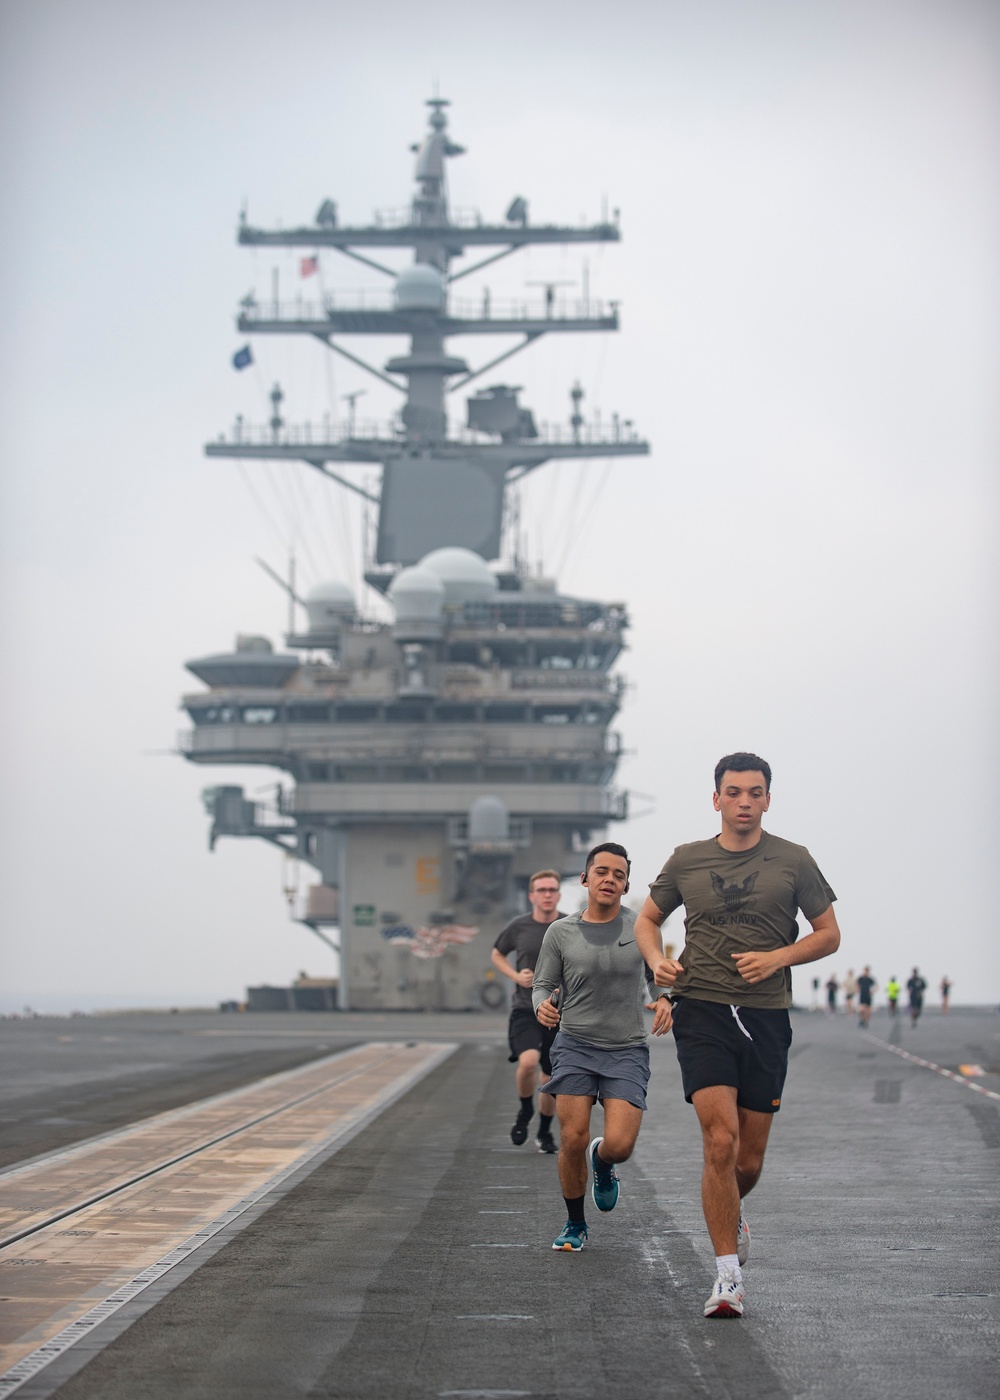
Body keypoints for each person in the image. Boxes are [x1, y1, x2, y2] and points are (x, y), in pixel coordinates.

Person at [634, 752, 840, 1320]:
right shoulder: (687, 860)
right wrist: (657, 962)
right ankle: (727, 1278)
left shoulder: (793, 861)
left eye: (755, 792)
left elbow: (829, 935)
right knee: (718, 1142)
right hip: (701, 1008)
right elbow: (647, 920)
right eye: (734, 791)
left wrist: (778, 956)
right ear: (716, 798)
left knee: (746, 1162)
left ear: (768, 799)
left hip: (766, 1016)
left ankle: (732, 1210)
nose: (744, 801)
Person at [532, 842, 672, 1252]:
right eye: (602, 872)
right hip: (574, 1044)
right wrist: (540, 1005)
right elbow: (542, 983)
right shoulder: (560, 933)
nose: (610, 879)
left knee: (621, 1145)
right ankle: (575, 1224)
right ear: (585, 878)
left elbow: (657, 974)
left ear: (626, 885)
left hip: (626, 1048)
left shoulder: (641, 928)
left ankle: (604, 1162)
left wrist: (664, 999)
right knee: (572, 1137)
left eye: (619, 875)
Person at [491, 870, 565, 1151]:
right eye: (542, 890)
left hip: (559, 1013)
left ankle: (545, 1133)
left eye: (552, 889)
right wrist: (514, 975)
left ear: (558, 894)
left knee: (549, 1077)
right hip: (525, 1008)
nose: (547, 895)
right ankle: (525, 1110)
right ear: (532, 896)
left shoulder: (571, 925)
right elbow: (497, 953)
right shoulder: (519, 926)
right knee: (528, 1063)